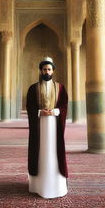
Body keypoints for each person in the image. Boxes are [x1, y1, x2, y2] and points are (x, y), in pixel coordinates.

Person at [26, 57, 68, 199]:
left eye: (49, 69)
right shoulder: (33, 88)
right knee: (41, 152)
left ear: (53, 71)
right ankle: (39, 186)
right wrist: (39, 112)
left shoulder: (60, 88)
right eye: (44, 69)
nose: (47, 71)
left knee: (54, 152)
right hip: (40, 126)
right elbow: (30, 106)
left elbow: (64, 105)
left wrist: (55, 111)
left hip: (54, 125)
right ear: (41, 70)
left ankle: (57, 186)